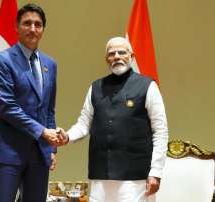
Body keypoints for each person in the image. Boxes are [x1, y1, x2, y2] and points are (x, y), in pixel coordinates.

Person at [57, 37, 169, 202]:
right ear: (106, 60)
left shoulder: (147, 86)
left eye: (122, 52)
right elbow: (83, 124)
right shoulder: (95, 87)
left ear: (131, 56)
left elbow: (160, 131)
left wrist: (156, 172)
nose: (116, 56)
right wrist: (67, 137)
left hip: (135, 178)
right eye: (112, 53)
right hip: (100, 177)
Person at [0, 3, 61, 202]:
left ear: (43, 29)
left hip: (39, 154)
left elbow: (49, 110)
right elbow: (7, 107)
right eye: (27, 23)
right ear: (16, 27)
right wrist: (43, 132)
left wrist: (51, 148)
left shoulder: (50, 64)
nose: (33, 29)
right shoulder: (2, 60)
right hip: (7, 152)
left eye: (38, 24)